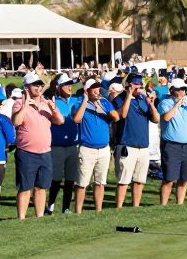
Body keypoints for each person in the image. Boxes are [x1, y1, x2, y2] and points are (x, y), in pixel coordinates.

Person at [12, 73, 66, 218]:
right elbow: (16, 122)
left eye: (41, 84)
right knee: (25, 188)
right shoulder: (18, 102)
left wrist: (53, 109)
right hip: (26, 152)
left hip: (45, 152)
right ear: (27, 87)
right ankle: (21, 219)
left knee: (42, 187)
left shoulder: (46, 103)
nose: (39, 87)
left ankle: (39, 217)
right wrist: (25, 105)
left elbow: (60, 121)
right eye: (35, 84)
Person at [71, 78, 120, 214]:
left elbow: (116, 117)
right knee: (82, 183)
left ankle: (98, 211)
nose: (97, 91)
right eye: (94, 89)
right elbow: (76, 119)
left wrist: (101, 107)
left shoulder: (105, 102)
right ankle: (78, 212)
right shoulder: (79, 103)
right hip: (87, 149)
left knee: (100, 182)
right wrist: (86, 101)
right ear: (87, 91)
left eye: (98, 88)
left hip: (103, 149)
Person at [112, 74, 160, 208]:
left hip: (143, 146)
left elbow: (156, 119)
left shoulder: (143, 100)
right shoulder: (120, 99)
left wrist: (151, 104)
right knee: (124, 180)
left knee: (139, 180)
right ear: (128, 85)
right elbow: (123, 114)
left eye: (139, 84)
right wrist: (128, 95)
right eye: (135, 84)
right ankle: (119, 207)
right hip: (127, 144)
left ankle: (136, 206)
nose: (138, 87)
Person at [158, 78, 187, 205]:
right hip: (171, 146)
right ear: (173, 90)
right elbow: (166, 117)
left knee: (184, 179)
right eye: (180, 89)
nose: (183, 92)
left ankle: (180, 205)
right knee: (169, 179)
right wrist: (177, 104)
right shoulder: (165, 102)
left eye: (184, 89)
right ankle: (163, 206)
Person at [48, 74, 81, 214]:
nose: (70, 87)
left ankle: (66, 208)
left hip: (73, 145)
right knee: (55, 179)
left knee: (70, 179)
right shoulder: (52, 102)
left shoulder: (75, 101)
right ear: (59, 87)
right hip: (57, 146)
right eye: (66, 85)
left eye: (70, 84)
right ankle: (50, 206)